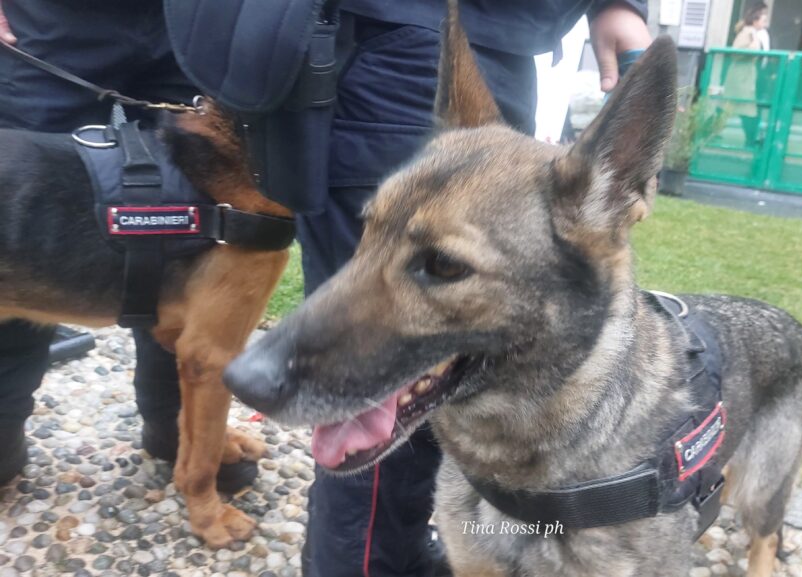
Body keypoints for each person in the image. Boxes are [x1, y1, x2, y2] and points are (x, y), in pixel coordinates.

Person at [298, 3, 651, 576]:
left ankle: (402, 554)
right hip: (402, 41)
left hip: (484, 48)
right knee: (363, 380)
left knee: (417, 390)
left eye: (443, 266)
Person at [0, 0, 260, 492]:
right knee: (18, 218)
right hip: (45, 17)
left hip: (193, 18)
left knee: (192, 232)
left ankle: (178, 429)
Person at [726, 2, 769, 149]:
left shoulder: (753, 32)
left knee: (740, 110)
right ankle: (751, 141)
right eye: (763, 20)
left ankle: (751, 140)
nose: (765, 23)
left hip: (747, 77)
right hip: (742, 78)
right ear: (755, 20)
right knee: (747, 111)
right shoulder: (747, 33)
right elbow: (736, 52)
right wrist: (750, 50)